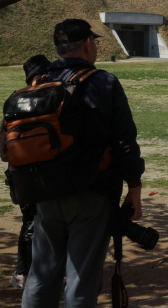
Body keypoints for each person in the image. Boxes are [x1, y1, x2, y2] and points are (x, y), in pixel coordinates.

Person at [22, 19, 145, 308]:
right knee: (81, 277)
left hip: (44, 190)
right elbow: (124, 140)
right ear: (89, 44)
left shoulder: (40, 80)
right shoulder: (103, 81)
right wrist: (135, 187)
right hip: (92, 191)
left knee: (41, 274)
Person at [9, 54, 53, 290]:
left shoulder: (16, 99)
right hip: (43, 171)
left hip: (20, 172)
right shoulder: (50, 97)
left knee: (30, 221)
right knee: (35, 224)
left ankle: (23, 272)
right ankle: (24, 272)